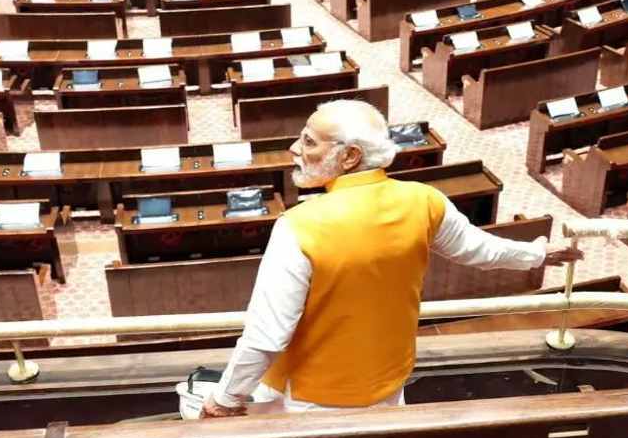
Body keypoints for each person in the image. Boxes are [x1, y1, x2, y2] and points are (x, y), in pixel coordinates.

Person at [200, 100, 584, 418]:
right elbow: (479, 249)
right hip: (390, 383)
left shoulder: (297, 226)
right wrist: (536, 253)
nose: (295, 150)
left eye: (309, 142)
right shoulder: (423, 199)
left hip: (314, 396)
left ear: (349, 156)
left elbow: (266, 334)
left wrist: (226, 399)